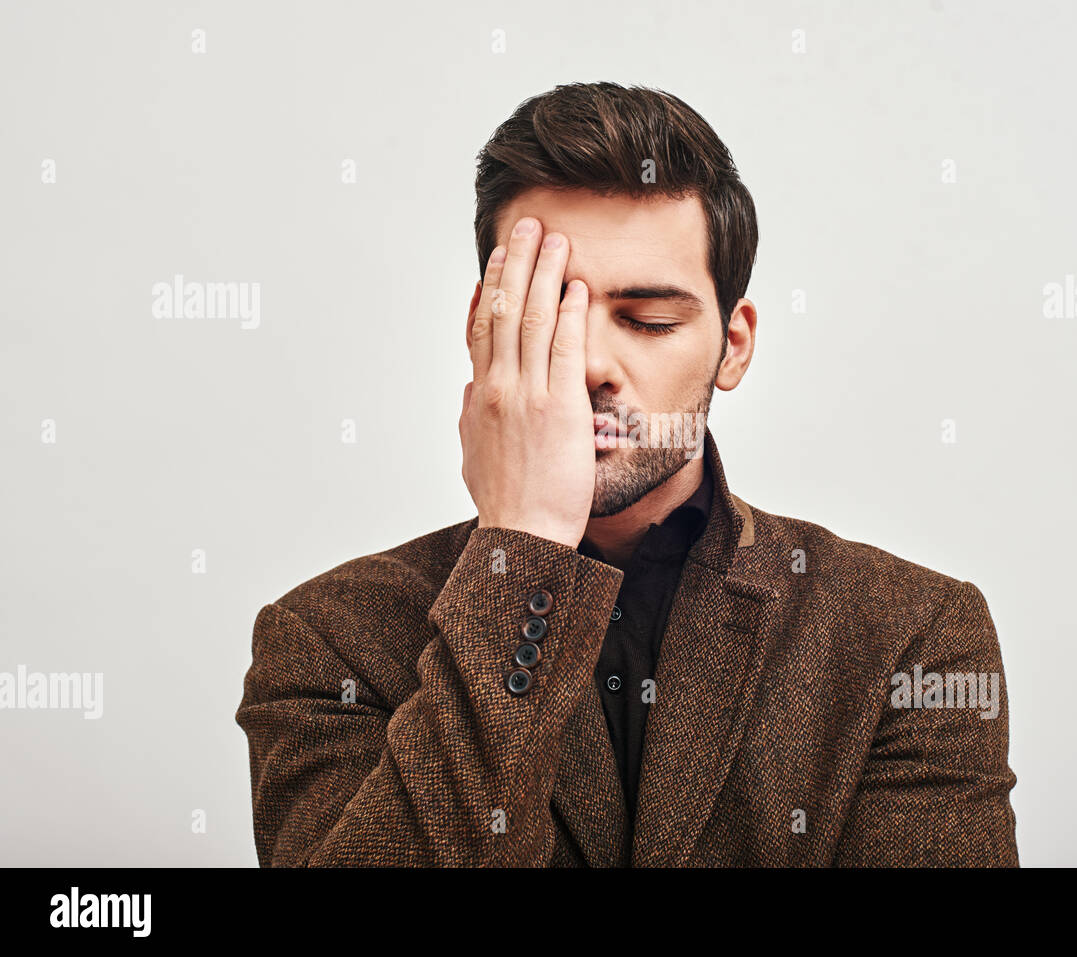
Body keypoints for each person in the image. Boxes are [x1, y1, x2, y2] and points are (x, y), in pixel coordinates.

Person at [235, 81, 1019, 867]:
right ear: (486, 325)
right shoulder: (326, 642)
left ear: (733, 345)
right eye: (554, 313)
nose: (594, 364)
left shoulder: (910, 636)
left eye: (648, 320)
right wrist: (524, 550)